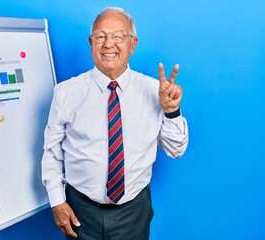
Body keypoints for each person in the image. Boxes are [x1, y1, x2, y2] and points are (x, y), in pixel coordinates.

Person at [41, 7, 188, 240]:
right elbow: (52, 152)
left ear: (133, 44)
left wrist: (171, 111)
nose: (108, 44)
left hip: (133, 211)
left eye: (118, 36)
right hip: (81, 211)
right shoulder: (66, 93)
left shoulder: (154, 91)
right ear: (91, 43)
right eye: (101, 36)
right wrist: (57, 202)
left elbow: (176, 149)